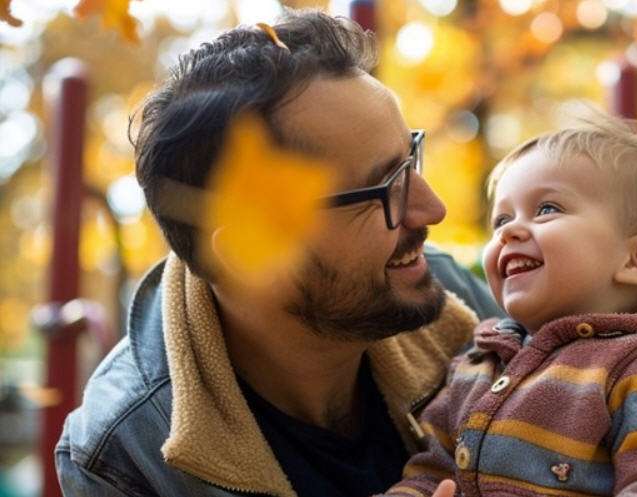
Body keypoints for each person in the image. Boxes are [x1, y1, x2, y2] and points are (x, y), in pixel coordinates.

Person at [55, 10, 502, 497]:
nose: (431, 209)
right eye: (383, 187)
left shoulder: (450, 304)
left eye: (408, 160)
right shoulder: (123, 456)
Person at [380, 110, 637, 497]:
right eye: (501, 219)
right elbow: (431, 470)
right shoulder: (476, 363)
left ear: (636, 259)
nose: (510, 231)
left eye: (547, 210)